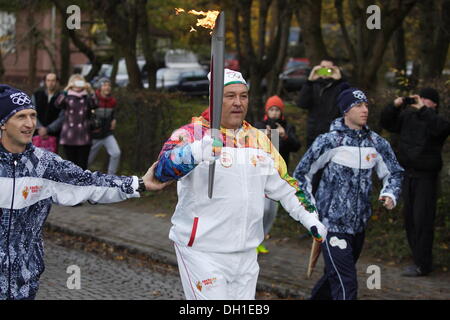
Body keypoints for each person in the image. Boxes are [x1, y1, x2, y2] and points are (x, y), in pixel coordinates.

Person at [154, 69, 327, 300]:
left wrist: (310, 218)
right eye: (230, 96)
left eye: (243, 96)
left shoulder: (259, 139)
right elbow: (161, 170)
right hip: (202, 251)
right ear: (214, 98)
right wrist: (196, 151)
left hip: (246, 253)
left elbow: (286, 185)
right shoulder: (191, 134)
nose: (238, 103)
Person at [0, 84, 169, 300]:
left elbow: (89, 183)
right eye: (21, 117)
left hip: (23, 282)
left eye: (32, 115)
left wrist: (139, 184)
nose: (30, 123)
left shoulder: (44, 165)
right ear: (3, 123)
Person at [294, 87, 404, 300]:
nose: (364, 110)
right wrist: (310, 211)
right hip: (332, 225)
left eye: (366, 105)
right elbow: (301, 175)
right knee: (346, 283)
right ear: (346, 110)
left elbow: (395, 173)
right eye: (358, 105)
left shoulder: (376, 143)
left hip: (359, 226)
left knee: (333, 277)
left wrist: (390, 193)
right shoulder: (329, 141)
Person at [380, 88, 450, 277]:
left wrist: (423, 110)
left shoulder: (436, 120)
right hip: (407, 174)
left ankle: (424, 264)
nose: (422, 102)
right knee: (410, 220)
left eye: (427, 100)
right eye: (420, 99)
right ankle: (417, 260)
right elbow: (387, 123)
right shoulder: (407, 117)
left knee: (423, 220)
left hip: (426, 177)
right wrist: (394, 106)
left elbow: (442, 128)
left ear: (434, 104)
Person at [254, 95, 301, 254]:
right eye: (271, 109)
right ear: (267, 111)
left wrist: (284, 135)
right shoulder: (259, 126)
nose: (274, 113)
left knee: (271, 212)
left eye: (277, 110)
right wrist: (264, 137)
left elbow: (296, 146)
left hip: (279, 174)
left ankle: (261, 239)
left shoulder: (287, 127)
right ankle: (253, 239)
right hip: (261, 173)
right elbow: (251, 146)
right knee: (262, 209)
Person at [55, 74, 97, 170]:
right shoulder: (67, 96)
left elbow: (95, 104)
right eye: (75, 82)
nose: (78, 85)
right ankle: (72, 185)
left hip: (84, 136)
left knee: (82, 165)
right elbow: (57, 103)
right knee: (71, 166)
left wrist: (90, 90)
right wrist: (66, 89)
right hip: (69, 136)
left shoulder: (87, 97)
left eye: (80, 82)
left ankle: (83, 184)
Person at [88, 78, 121, 175]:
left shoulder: (112, 101)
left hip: (107, 134)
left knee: (116, 153)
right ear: (100, 87)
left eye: (109, 85)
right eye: (105, 85)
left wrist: (114, 119)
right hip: (93, 136)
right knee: (87, 161)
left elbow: (114, 113)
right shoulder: (94, 99)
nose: (107, 87)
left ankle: (111, 177)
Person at [31, 73, 63, 151]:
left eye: (53, 80)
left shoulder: (62, 97)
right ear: (45, 82)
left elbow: (62, 117)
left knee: (52, 161)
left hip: (53, 135)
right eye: (48, 80)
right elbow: (31, 113)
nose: (50, 83)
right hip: (37, 134)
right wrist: (39, 128)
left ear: (57, 82)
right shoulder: (36, 95)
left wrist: (48, 129)